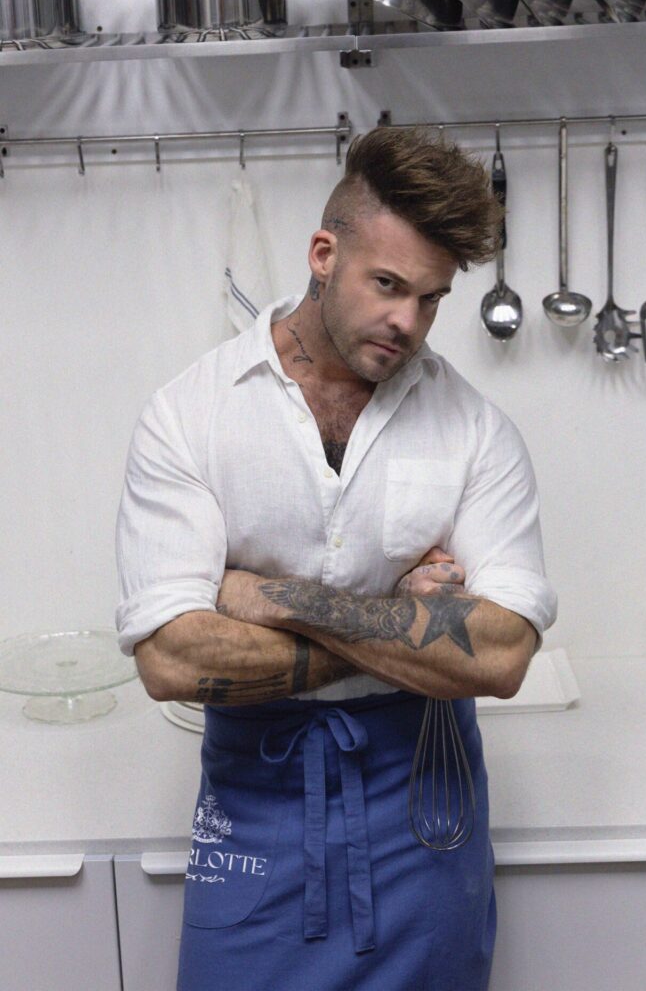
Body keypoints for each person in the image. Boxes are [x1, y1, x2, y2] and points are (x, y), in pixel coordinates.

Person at [115, 126, 557, 991]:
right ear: (324, 254)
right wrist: (406, 625)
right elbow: (171, 658)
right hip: (255, 804)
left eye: (430, 299)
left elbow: (501, 655)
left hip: (425, 812)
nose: (408, 322)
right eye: (387, 285)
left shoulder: (474, 430)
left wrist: (278, 596)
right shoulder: (189, 415)